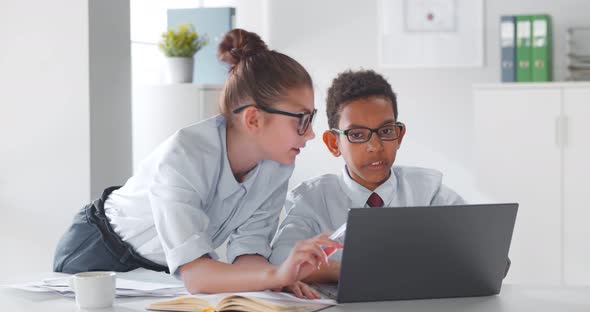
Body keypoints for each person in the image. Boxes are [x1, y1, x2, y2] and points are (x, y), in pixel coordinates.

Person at [53, 28, 341, 298]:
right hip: (97, 251)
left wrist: (280, 277)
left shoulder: (277, 164)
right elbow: (197, 277)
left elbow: (248, 253)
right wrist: (276, 274)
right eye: (301, 120)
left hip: (160, 272)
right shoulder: (185, 155)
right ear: (254, 119)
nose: (312, 133)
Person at [269, 69, 465, 283]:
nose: (375, 146)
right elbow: (281, 261)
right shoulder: (311, 200)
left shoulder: (428, 191)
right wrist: (352, 271)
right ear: (334, 143)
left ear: (399, 136)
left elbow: (480, 252)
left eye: (386, 131)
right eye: (357, 135)